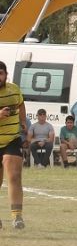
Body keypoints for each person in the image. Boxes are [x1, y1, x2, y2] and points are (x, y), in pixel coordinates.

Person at [0, 61, 26, 229]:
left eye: (0, 73)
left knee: (14, 176)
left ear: (6, 74)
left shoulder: (14, 89)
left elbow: (21, 103)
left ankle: (17, 217)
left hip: (11, 139)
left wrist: (23, 121)